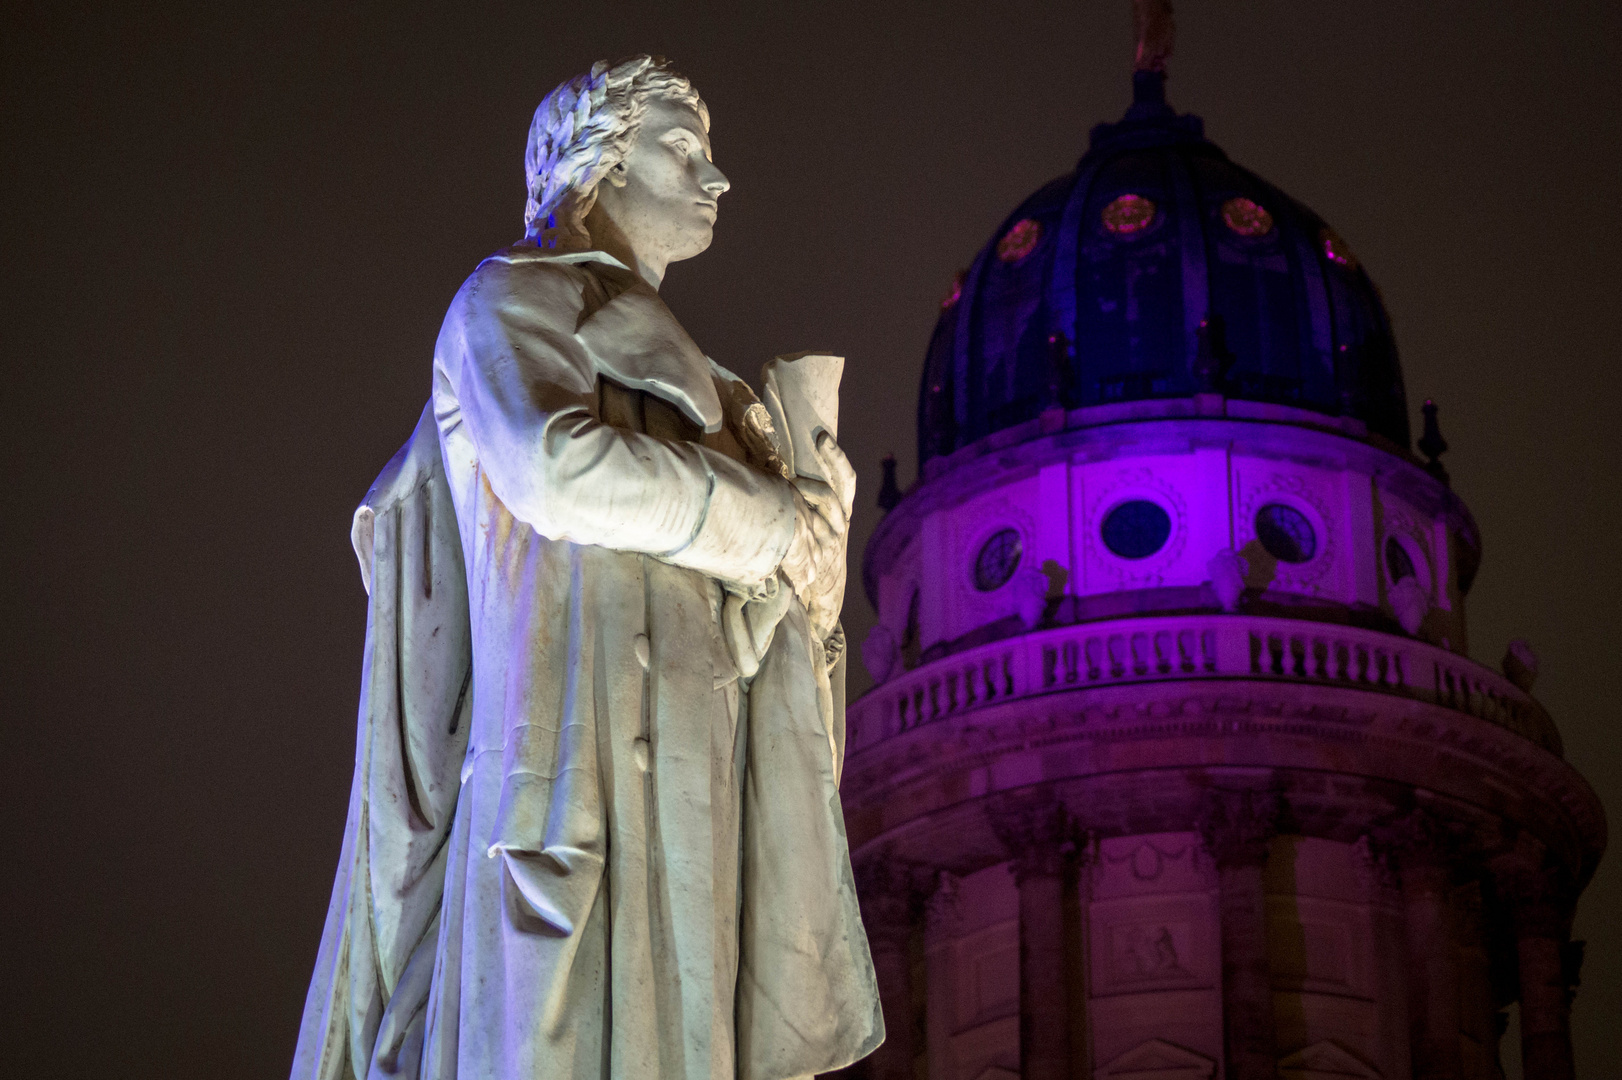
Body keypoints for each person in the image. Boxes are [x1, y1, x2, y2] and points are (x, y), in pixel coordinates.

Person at [291, 56, 882, 1080]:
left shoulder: (726, 397)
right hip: (562, 780)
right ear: (598, 165)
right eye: (684, 150)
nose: (716, 178)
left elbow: (758, 663)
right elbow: (550, 466)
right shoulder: (509, 301)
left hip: (693, 812)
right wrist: (770, 521)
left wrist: (812, 589)